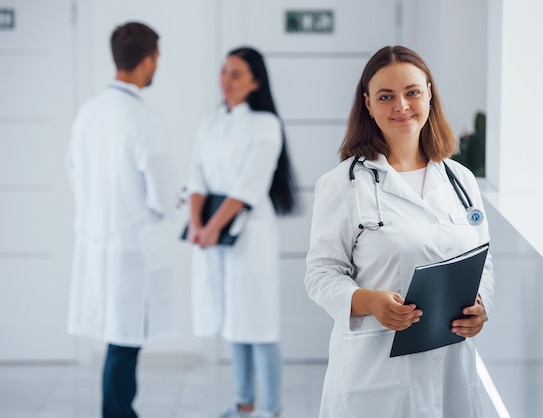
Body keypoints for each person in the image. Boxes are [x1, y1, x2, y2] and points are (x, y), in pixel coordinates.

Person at [304, 45, 495, 418]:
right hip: (377, 376)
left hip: (452, 366)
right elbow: (320, 275)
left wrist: (482, 304)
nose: (401, 106)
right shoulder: (343, 184)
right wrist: (367, 301)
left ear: (429, 94)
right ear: (369, 105)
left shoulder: (461, 180)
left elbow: (483, 260)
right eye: (386, 96)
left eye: (412, 93)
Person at [66, 22, 177, 418]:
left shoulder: (88, 112)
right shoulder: (140, 119)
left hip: (97, 242)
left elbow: (74, 174)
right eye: (157, 60)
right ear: (147, 61)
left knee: (119, 340)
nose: (156, 67)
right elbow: (163, 194)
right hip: (131, 249)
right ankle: (117, 413)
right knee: (124, 343)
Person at [186, 46, 297, 418]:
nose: (225, 80)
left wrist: (213, 226)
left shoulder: (265, 124)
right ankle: (242, 402)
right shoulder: (211, 122)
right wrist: (198, 225)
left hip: (250, 233)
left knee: (259, 323)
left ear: (255, 82)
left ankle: (271, 408)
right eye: (223, 71)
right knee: (234, 320)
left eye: (235, 74)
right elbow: (196, 176)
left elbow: (248, 186)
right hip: (213, 233)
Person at [453, 111, 486, 177]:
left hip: (473, 168)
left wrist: (464, 138)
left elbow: (463, 147)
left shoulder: (474, 137)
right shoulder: (489, 138)